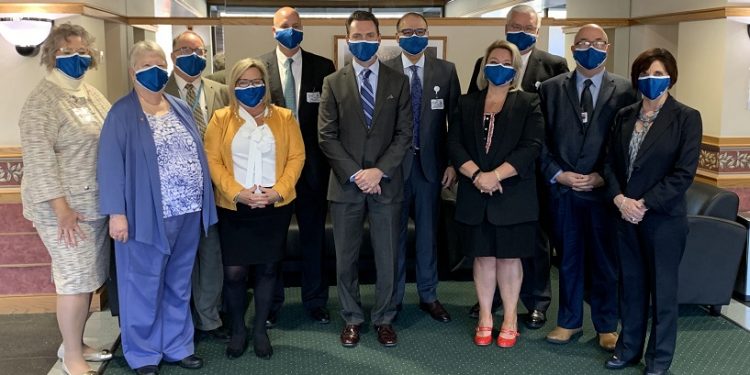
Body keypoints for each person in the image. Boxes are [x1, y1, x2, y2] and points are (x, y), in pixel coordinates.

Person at [97, 40, 217, 375]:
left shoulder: (178, 105)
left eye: (160, 62)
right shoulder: (122, 113)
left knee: (178, 283)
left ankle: (177, 345)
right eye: (147, 64)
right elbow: (109, 165)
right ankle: (144, 353)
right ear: (133, 71)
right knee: (143, 284)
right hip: (144, 216)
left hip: (188, 210)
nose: (156, 69)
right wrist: (116, 214)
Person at [466, 3, 569, 330]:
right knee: (491, 243)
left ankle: (536, 301)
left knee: (533, 241)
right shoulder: (484, 63)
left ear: (538, 31)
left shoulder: (554, 65)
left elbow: (557, 123)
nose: (520, 31)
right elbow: (471, 115)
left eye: (528, 27)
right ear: (505, 26)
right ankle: (492, 301)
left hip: (534, 170)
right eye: (514, 25)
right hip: (486, 171)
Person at [19, 23, 112, 375]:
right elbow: (39, 160)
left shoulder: (90, 93)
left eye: (82, 51)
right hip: (62, 209)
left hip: (93, 204)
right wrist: (62, 210)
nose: (77, 58)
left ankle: (75, 342)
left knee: (88, 278)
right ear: (51, 56)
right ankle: (71, 356)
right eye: (67, 52)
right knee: (73, 280)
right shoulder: (41, 101)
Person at [603, 48, 702, 375]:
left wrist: (643, 204)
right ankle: (627, 349)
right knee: (630, 288)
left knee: (662, 293)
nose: (652, 80)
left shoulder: (687, 117)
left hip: (662, 221)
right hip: (624, 216)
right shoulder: (623, 115)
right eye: (646, 74)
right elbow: (610, 164)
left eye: (659, 74)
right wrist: (620, 200)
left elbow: (683, 173)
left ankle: (658, 359)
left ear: (671, 76)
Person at [538, 24, 637, 352]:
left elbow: (628, 144)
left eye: (597, 42)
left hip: (605, 193)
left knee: (605, 261)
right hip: (563, 191)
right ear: (572, 48)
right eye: (582, 42)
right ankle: (568, 322)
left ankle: (607, 325)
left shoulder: (625, 89)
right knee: (567, 258)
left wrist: (602, 177)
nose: (589, 47)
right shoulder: (551, 88)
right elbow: (540, 140)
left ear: (607, 47)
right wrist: (558, 174)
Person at [318, 10, 412, 348]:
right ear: (348, 38)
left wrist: (378, 171)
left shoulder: (398, 81)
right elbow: (326, 136)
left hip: (386, 185)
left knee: (388, 257)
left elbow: (404, 134)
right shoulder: (332, 82)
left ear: (379, 37)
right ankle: (352, 318)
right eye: (356, 36)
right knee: (347, 259)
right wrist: (358, 174)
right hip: (346, 187)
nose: (363, 42)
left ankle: (384, 318)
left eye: (369, 35)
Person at [203, 58, 305, 360]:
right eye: (243, 82)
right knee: (234, 273)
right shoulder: (221, 118)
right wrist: (238, 193)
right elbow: (212, 161)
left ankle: (260, 330)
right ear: (234, 86)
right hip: (235, 208)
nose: (250, 88)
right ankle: (237, 329)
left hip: (274, 207)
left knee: (268, 269)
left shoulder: (284, 117)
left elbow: (296, 158)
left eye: (256, 81)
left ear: (265, 85)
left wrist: (278, 192)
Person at [447, 40, 543, 348]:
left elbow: (532, 147)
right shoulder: (466, 103)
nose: (498, 68)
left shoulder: (529, 102)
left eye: (506, 63)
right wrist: (477, 175)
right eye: (493, 61)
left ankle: (511, 318)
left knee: (509, 259)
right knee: (483, 258)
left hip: (512, 194)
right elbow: (454, 144)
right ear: (484, 65)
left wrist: (495, 176)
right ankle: (486, 316)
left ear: (514, 71)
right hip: (475, 194)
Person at [259, 6, 337, 327]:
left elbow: (330, 121)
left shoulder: (324, 67)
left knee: (313, 239)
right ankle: (272, 303)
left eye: (295, 25)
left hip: (313, 170)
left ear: (303, 28)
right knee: (273, 240)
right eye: (284, 26)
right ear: (273, 31)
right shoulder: (259, 69)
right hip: (272, 170)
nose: (290, 30)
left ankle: (316, 301)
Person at [383, 12, 459, 323]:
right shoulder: (385, 69)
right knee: (393, 237)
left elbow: (456, 122)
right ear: (397, 35)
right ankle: (394, 297)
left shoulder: (446, 70)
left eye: (420, 30)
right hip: (394, 169)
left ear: (428, 34)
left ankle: (429, 295)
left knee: (428, 236)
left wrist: (454, 162)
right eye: (408, 31)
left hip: (431, 168)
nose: (415, 36)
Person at [164, 30, 230, 342]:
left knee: (212, 253)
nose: (194, 55)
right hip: (175, 193)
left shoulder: (221, 91)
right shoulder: (156, 91)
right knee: (180, 257)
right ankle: (180, 320)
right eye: (186, 49)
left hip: (214, 188)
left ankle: (209, 318)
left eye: (200, 50)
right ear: (173, 53)